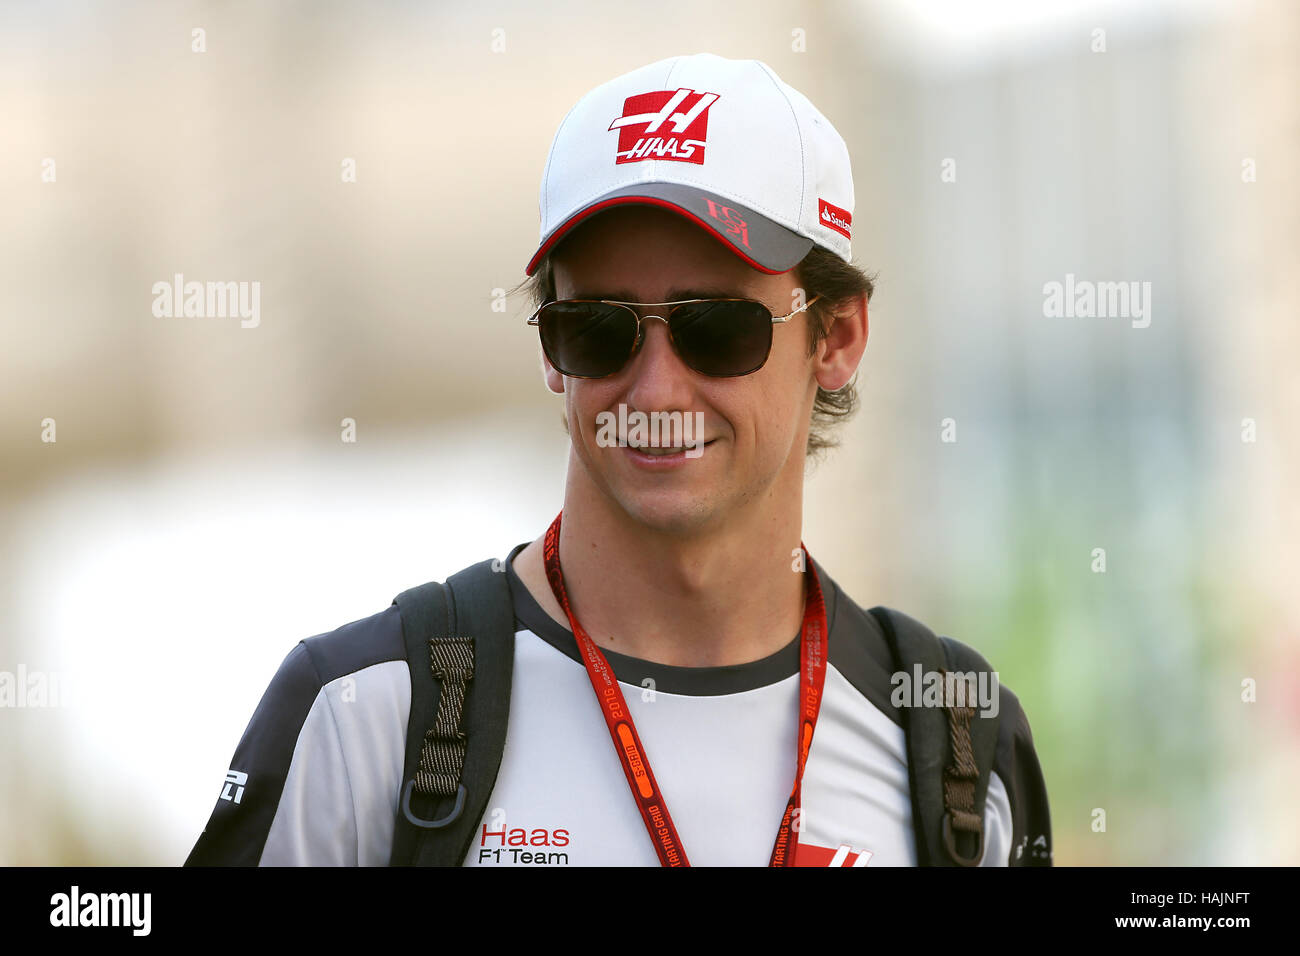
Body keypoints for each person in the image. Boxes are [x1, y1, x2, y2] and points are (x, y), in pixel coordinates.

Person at [185, 52, 1051, 867]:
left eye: (719, 327)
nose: (656, 391)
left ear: (839, 337)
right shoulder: (364, 715)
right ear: (549, 349)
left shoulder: (952, 741)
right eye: (597, 328)